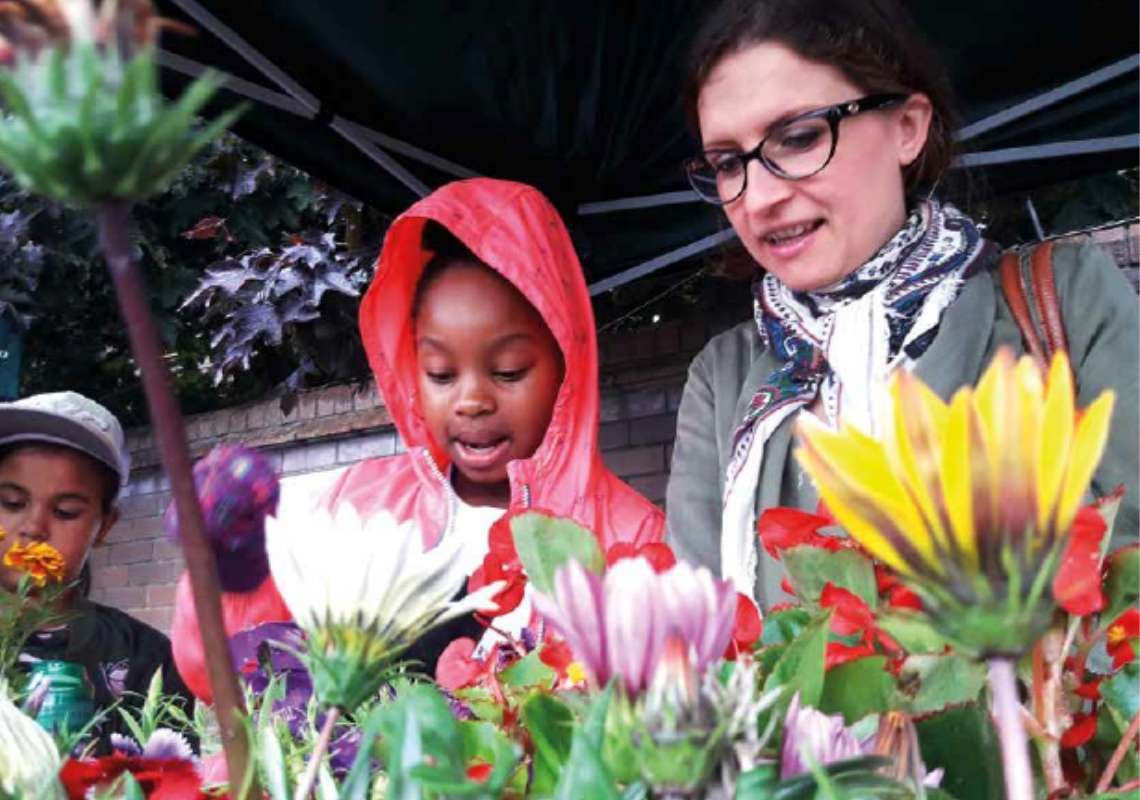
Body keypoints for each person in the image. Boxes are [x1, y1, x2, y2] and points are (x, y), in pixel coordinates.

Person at [665, 0, 1139, 608]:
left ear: (908, 127)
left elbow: (1126, 575)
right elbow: (701, 636)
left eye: (800, 137)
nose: (756, 199)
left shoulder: (1066, 298)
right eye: (728, 163)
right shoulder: (722, 380)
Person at [323, 178, 666, 670]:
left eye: (508, 371)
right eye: (440, 374)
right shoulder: (355, 508)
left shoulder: (632, 538)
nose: (472, 401)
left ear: (567, 364)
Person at [0, 391, 192, 742]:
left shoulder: (145, 658)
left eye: (66, 512)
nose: (34, 526)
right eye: (11, 502)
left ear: (104, 526)